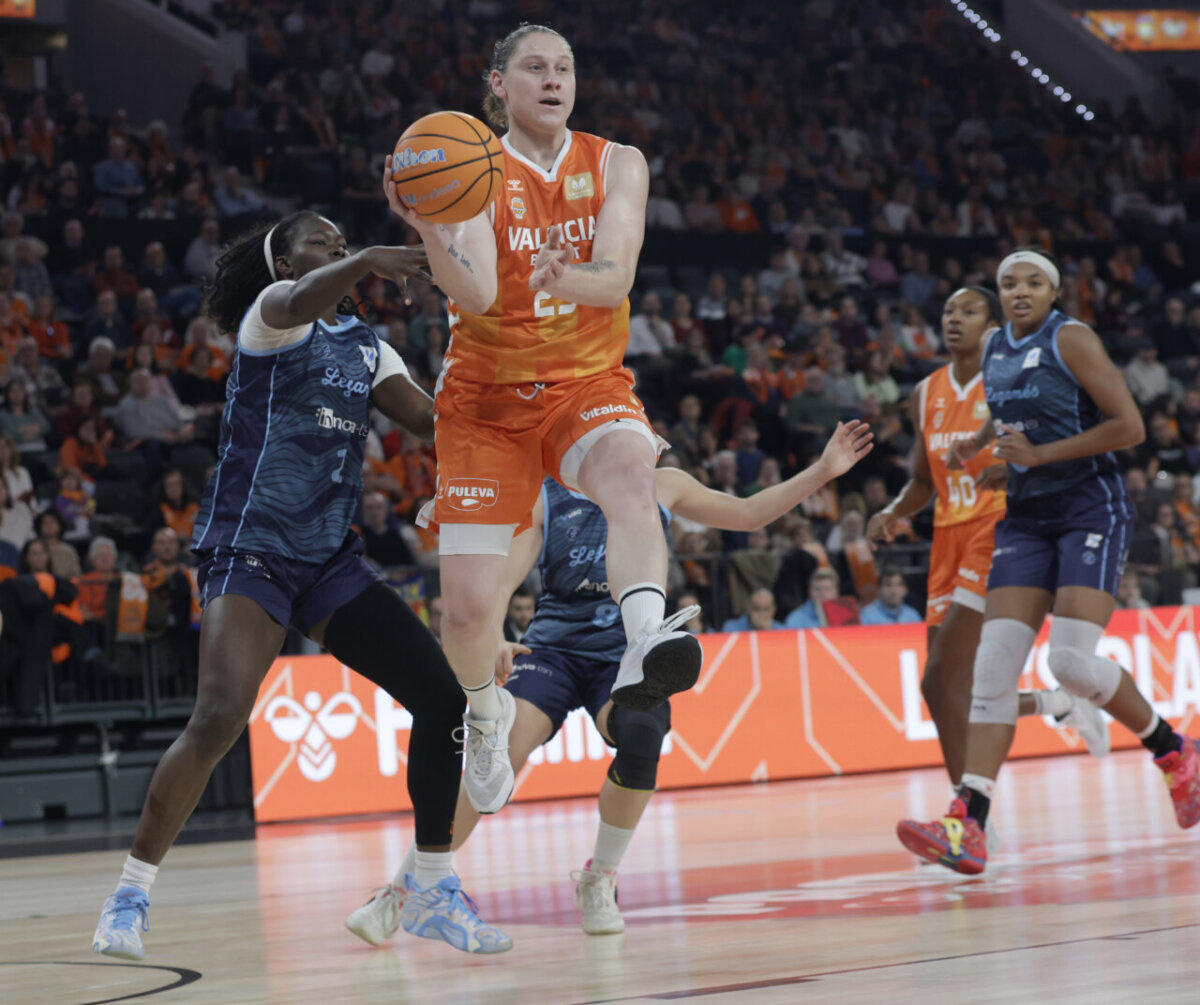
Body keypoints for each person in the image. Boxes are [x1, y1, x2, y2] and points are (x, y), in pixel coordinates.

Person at [91, 210, 510, 962]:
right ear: (284, 262)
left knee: (442, 698)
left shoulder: (367, 348)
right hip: (250, 549)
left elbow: (430, 423)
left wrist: (479, 351)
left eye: (344, 242)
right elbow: (300, 300)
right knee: (220, 714)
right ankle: (132, 891)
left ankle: (433, 889)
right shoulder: (269, 320)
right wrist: (371, 257)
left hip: (329, 561)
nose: (340, 250)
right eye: (324, 243)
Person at [346, 419, 873, 943]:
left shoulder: (664, 484)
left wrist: (823, 471)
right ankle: (402, 891)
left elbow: (749, 513)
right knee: (498, 757)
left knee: (642, 736)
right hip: (552, 649)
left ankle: (600, 879)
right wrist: (498, 635)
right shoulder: (547, 495)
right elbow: (506, 577)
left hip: (625, 654)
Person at [385, 24, 704, 817]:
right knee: (464, 613)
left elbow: (619, 274)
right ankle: (485, 713)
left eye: (565, 66)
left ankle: (643, 642)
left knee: (633, 471)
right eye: (535, 68)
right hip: (486, 401)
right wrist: (428, 225)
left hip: (582, 382)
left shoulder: (617, 160)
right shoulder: (475, 167)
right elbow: (482, 295)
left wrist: (574, 272)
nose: (554, 79)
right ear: (499, 85)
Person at [897, 249, 1200, 876]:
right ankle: (969, 825)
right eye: (1009, 283)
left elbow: (1131, 427)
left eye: (1033, 282)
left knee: (1067, 660)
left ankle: (1175, 754)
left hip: (1091, 507)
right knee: (993, 666)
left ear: (1054, 291)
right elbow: (1002, 411)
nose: (1020, 291)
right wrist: (975, 447)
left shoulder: (1073, 339)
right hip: (1027, 517)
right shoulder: (995, 349)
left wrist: (1039, 455)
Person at [868, 286, 1107, 787]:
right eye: (948, 310)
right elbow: (921, 480)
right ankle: (1057, 703)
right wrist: (892, 511)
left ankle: (968, 812)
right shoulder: (924, 392)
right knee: (949, 690)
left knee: (942, 678)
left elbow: (1057, 451)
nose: (954, 319)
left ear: (994, 327)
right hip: (947, 537)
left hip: (1001, 531)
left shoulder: (1017, 381)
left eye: (969, 311)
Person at [720, 587, 784, 632]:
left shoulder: (782, 631)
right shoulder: (731, 628)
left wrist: (768, 633)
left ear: (774, 610)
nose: (762, 614)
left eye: (766, 609)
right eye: (757, 609)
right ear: (748, 608)